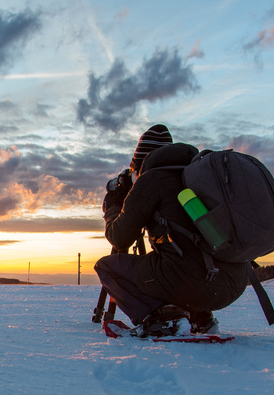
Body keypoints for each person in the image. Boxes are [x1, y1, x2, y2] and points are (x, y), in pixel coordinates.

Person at [95, 124, 248, 336]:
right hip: (234, 283)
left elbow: (119, 239)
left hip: (188, 281)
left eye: (133, 170)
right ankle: (200, 318)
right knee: (177, 258)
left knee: (107, 267)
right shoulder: (199, 176)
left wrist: (113, 207)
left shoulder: (152, 180)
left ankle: (165, 318)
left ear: (140, 162)